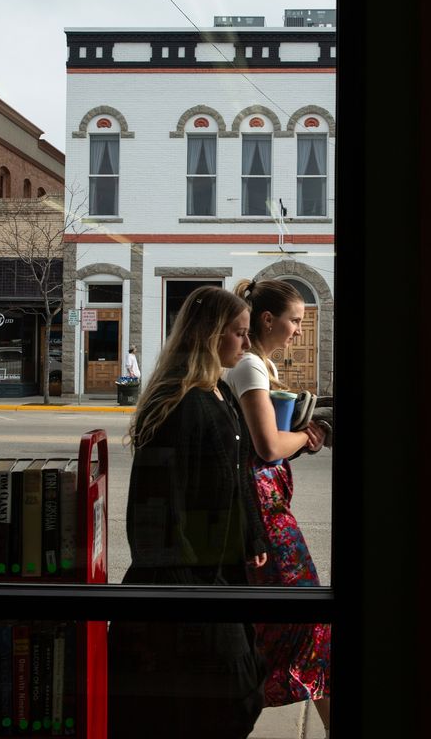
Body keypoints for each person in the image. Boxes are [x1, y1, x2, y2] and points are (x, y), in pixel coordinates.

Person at [108, 285, 268, 739]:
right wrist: (184, 590)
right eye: (239, 332)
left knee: (239, 688)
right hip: (192, 583)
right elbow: (156, 507)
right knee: (227, 696)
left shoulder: (219, 393)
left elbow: (239, 478)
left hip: (221, 571)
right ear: (210, 334)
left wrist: (253, 536)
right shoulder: (181, 405)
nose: (247, 342)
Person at [226, 278, 330, 735]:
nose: (299, 332)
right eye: (294, 321)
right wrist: (308, 439)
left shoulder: (258, 364)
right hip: (264, 516)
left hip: (268, 509)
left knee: (297, 629)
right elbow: (267, 446)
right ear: (267, 319)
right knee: (307, 623)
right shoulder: (249, 366)